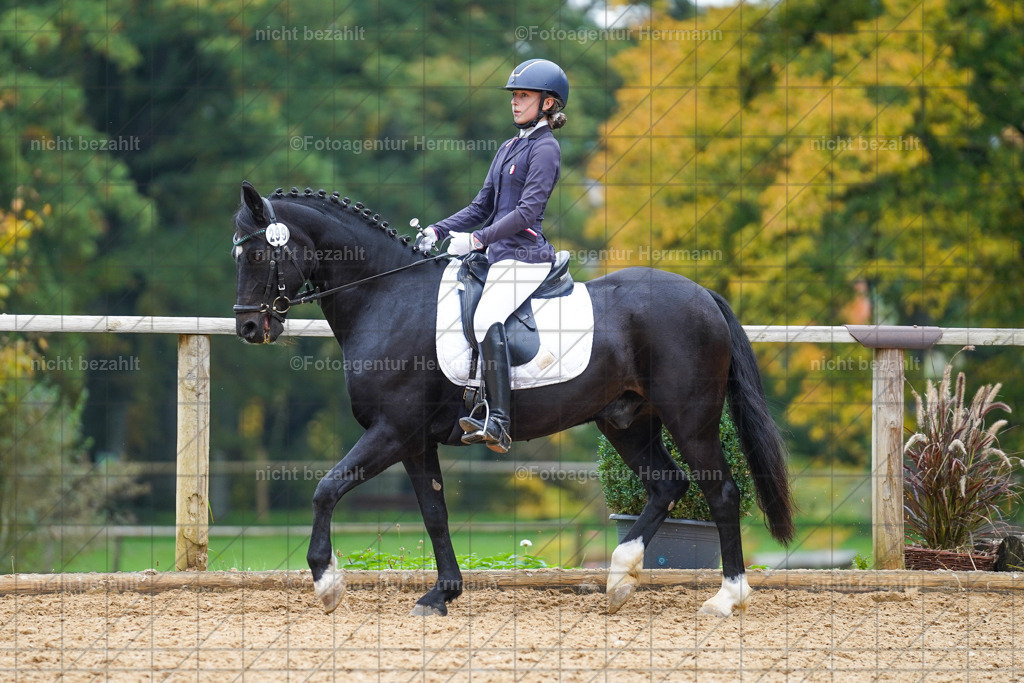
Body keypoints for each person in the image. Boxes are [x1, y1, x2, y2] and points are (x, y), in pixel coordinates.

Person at [416, 58, 569, 453]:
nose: (515, 103)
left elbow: (526, 213)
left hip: (525, 257)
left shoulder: (546, 149)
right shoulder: (509, 146)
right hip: (499, 255)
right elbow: (481, 204)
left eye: (524, 96)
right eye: (514, 96)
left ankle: (499, 420)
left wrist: (476, 241)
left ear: (548, 104)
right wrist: (439, 229)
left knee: (486, 316)